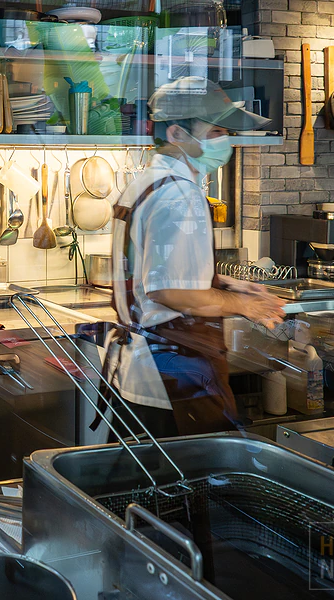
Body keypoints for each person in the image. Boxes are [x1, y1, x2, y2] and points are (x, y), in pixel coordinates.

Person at [103, 77, 287, 438]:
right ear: (175, 134)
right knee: (193, 485)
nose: (226, 140)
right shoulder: (180, 196)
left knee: (143, 486)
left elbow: (151, 271)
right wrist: (245, 306)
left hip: (147, 370)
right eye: (216, 130)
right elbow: (170, 292)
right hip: (177, 376)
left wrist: (223, 283)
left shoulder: (147, 183)